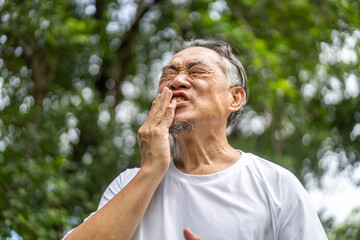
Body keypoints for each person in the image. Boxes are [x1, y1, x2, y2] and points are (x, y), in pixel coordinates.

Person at [63, 39, 327, 240]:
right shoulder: (128, 183)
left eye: (197, 72)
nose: (177, 81)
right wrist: (152, 169)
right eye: (168, 74)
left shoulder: (276, 186)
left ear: (234, 98)